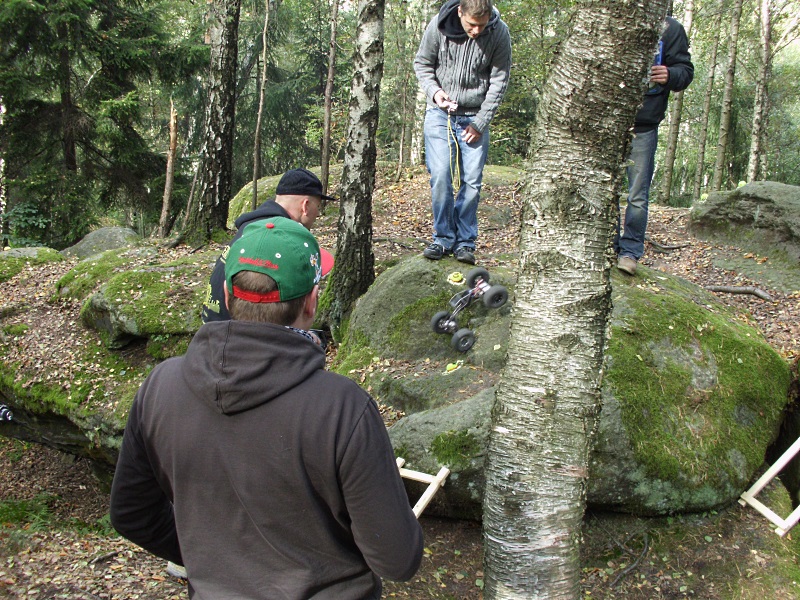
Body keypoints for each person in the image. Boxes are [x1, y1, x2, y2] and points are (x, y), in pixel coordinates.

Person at [110, 217, 423, 599]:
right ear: (311, 302)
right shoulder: (343, 408)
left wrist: (211, 557)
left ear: (227, 296)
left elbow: (131, 513)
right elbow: (397, 560)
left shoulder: (160, 386)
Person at [413, 0, 511, 265]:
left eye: (481, 24)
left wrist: (480, 122)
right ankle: (443, 238)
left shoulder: (499, 32)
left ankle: (465, 242)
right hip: (439, 114)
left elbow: (499, 81)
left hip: (475, 117)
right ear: (460, 13)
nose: (477, 30)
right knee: (441, 175)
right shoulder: (439, 25)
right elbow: (422, 64)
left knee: (472, 182)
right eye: (471, 25)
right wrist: (435, 92)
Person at [201, 167, 335, 322]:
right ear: (305, 206)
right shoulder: (275, 238)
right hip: (236, 330)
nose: (317, 214)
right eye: (317, 207)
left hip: (213, 325)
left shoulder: (253, 227)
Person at [616, 16, 693, 276]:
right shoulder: (613, 18)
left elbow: (685, 71)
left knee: (637, 195)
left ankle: (629, 252)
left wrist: (670, 74)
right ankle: (607, 245)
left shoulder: (671, 29)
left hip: (644, 125)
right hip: (609, 121)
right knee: (606, 190)